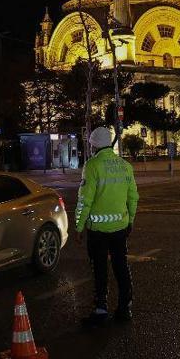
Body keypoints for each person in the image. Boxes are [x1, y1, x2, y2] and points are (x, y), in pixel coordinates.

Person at [75, 126, 139, 326]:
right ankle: (124, 308)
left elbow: (84, 200)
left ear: (93, 146)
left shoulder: (92, 166)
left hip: (98, 231)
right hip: (120, 227)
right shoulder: (124, 165)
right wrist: (130, 221)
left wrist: (78, 226)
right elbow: (133, 197)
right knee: (121, 266)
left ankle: (101, 309)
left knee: (100, 268)